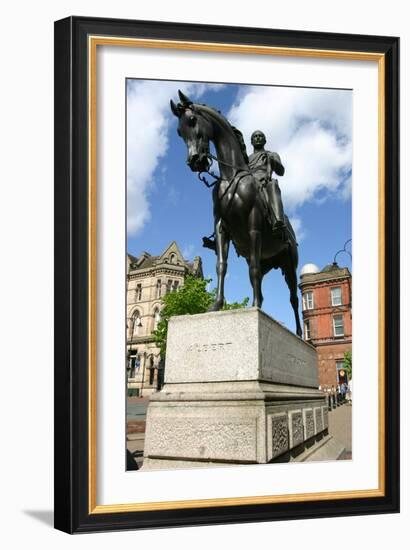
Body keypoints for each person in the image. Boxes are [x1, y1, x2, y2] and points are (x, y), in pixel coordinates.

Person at [248, 130, 285, 231]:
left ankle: (278, 219)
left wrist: (272, 160)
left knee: (273, 185)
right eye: (255, 136)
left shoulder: (272, 154)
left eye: (260, 136)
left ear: (265, 140)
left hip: (264, 182)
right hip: (248, 184)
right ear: (251, 141)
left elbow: (281, 172)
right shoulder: (246, 159)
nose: (258, 138)